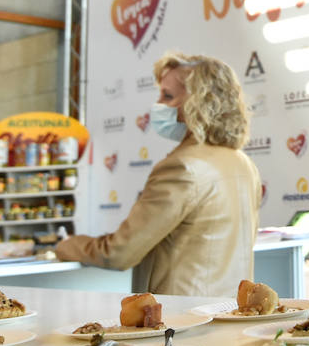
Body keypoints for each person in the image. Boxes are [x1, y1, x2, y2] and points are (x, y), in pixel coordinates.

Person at [56, 52, 261, 296]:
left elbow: (118, 253)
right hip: (231, 309)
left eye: (168, 95)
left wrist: (67, 245)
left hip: (182, 311)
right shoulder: (243, 163)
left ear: (197, 103)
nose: (158, 104)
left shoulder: (182, 167)